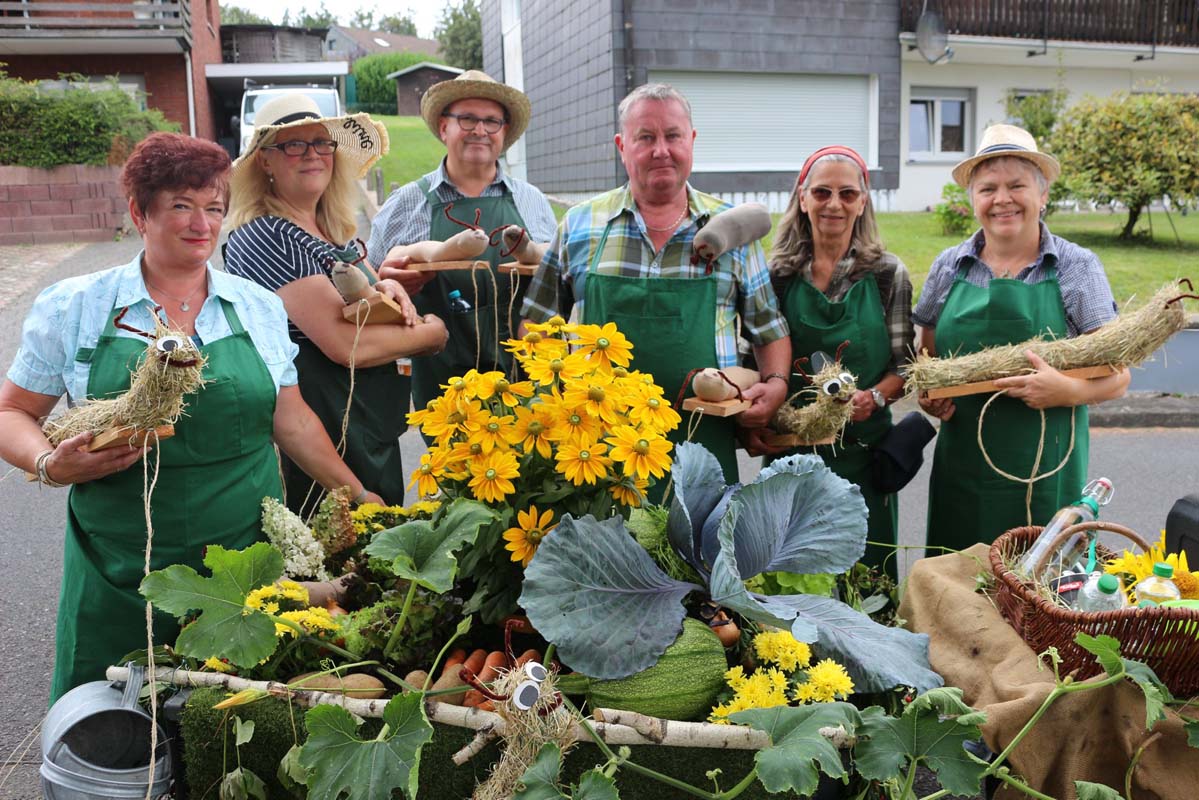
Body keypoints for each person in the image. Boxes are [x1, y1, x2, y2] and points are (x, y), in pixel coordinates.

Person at [0, 133, 385, 702]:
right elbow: (13, 412)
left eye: (212, 208)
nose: (201, 224)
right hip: (122, 559)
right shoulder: (74, 305)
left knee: (232, 719)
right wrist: (50, 464)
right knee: (114, 722)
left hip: (243, 557)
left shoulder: (255, 305)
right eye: (181, 206)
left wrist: (357, 494)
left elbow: (291, 419)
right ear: (140, 212)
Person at [520, 83, 791, 491]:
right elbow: (536, 326)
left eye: (673, 136)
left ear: (692, 141)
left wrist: (775, 386)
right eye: (645, 137)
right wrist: (554, 396)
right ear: (622, 146)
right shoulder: (580, 226)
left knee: (700, 551)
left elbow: (769, 330)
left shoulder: (732, 232)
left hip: (702, 445)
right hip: (598, 451)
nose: (661, 150)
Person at [225, 96, 447, 516]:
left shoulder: (333, 233)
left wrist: (387, 287)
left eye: (321, 143)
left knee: (376, 558)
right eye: (293, 145)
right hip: (320, 438)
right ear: (265, 162)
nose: (312, 154)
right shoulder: (267, 235)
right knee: (337, 559)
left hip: (364, 427)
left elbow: (370, 296)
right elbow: (346, 345)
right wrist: (430, 334)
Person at [914, 124, 1130, 554]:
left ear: (1042, 195)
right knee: (958, 590)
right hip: (964, 465)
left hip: (1047, 469)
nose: (1002, 199)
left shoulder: (1075, 267)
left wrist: (1066, 390)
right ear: (973, 199)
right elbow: (928, 355)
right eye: (988, 188)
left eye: (1017, 186)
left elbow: (1119, 377)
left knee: (1038, 595)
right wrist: (930, 396)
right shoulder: (949, 266)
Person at [744, 145, 913, 575]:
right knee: (789, 581)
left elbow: (905, 367)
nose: (834, 204)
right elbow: (753, 363)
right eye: (821, 193)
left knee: (866, 581)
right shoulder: (775, 277)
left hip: (864, 456)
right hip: (791, 457)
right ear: (802, 199)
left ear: (863, 201)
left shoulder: (888, 275)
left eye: (847, 194)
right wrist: (759, 422)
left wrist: (874, 397)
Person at [368, 70, 556, 415]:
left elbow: (557, 282)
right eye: (467, 119)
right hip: (441, 387)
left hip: (524, 382)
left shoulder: (532, 201)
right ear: (444, 128)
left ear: (504, 133)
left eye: (491, 122)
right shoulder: (408, 202)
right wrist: (389, 283)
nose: (480, 131)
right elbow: (372, 289)